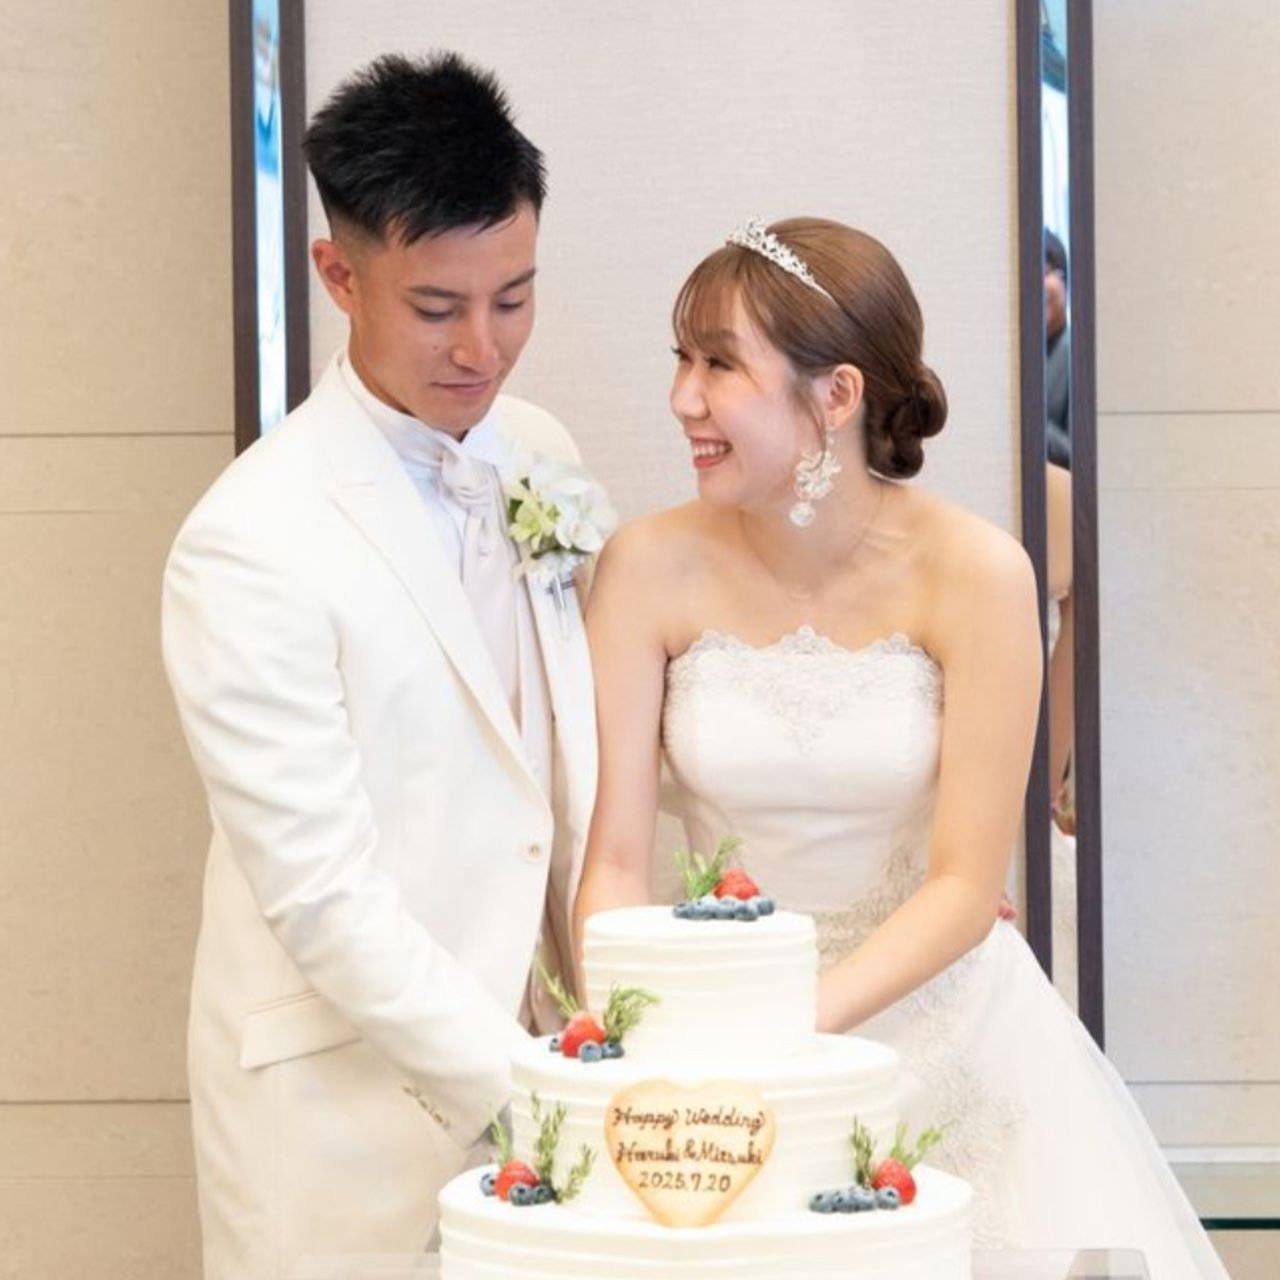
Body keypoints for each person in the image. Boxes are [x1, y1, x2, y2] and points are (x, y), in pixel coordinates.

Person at [574, 217, 1227, 1275]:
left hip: (946, 1034)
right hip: (716, 1063)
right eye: (681, 360)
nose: (683, 398)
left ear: (836, 396)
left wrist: (787, 1031)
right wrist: (636, 1030)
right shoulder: (644, 566)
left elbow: (966, 885)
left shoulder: (977, 572)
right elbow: (611, 855)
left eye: (720, 365)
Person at [162, 53, 604, 1277]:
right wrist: (527, 1092)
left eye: (513, 297)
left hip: (554, 1073)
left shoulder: (540, 449)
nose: (482, 347)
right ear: (338, 275)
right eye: (436, 307)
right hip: (343, 1119)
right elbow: (320, 890)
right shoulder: (247, 539)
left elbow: (566, 755)